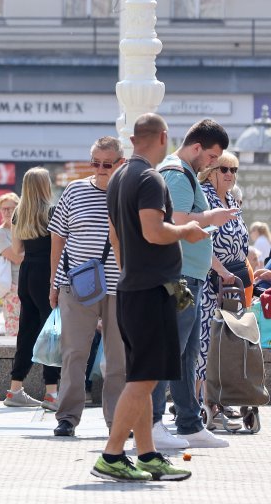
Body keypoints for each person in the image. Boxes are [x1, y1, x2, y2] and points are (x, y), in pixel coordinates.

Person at [92, 113, 207, 482]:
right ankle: (112, 455)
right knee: (144, 380)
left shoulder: (120, 177)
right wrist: (187, 229)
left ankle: (147, 454)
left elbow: (117, 237)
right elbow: (154, 231)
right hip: (150, 290)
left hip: (131, 288)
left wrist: (132, 272)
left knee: (142, 376)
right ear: (162, 136)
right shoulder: (149, 178)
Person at [150, 118, 237, 450]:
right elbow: (178, 221)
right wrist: (212, 218)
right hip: (180, 276)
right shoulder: (178, 172)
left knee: (183, 352)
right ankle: (157, 421)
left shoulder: (179, 171)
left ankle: (188, 423)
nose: (214, 164)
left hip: (187, 275)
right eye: (213, 156)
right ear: (197, 147)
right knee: (172, 348)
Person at [48, 137, 126, 437]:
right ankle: (67, 417)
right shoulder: (75, 190)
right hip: (77, 284)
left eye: (107, 163)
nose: (100, 169)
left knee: (118, 358)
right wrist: (53, 283)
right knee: (74, 353)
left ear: (120, 162)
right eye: (95, 162)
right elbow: (58, 238)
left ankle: (116, 420)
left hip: (120, 287)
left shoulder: (127, 193)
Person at [196, 151, 249, 426]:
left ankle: (215, 402)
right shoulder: (204, 195)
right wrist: (223, 270)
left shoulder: (230, 198)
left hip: (233, 283)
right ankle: (206, 406)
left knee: (224, 344)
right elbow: (201, 240)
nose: (230, 174)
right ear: (211, 170)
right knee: (207, 345)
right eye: (224, 169)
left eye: (234, 169)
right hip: (210, 281)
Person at [3, 168, 60, 409]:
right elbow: (59, 248)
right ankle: (51, 392)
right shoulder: (52, 212)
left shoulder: (18, 212)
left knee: (26, 330)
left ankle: (15, 388)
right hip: (47, 272)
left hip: (26, 273)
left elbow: (16, 251)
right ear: (45, 185)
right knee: (52, 331)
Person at [0, 193, 23, 337]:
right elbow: (15, 258)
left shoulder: (25, 228)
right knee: (13, 326)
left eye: (11, 208)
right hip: (12, 284)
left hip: (28, 282)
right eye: (4, 209)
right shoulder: (0, 232)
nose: (7, 212)